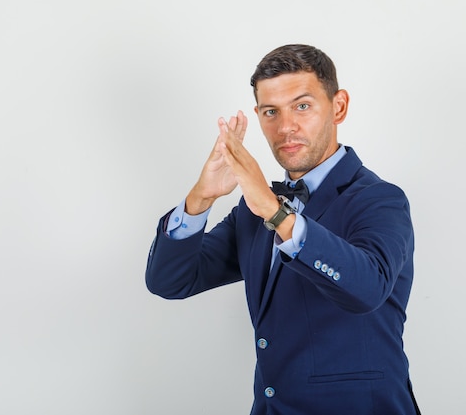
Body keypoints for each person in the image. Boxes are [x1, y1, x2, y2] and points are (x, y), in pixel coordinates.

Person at [145, 44, 420, 415]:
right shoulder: (254, 208)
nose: (286, 126)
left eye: (302, 106)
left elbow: (367, 289)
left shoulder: (380, 199)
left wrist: (275, 214)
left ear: (338, 107)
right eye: (271, 112)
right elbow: (171, 281)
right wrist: (201, 197)